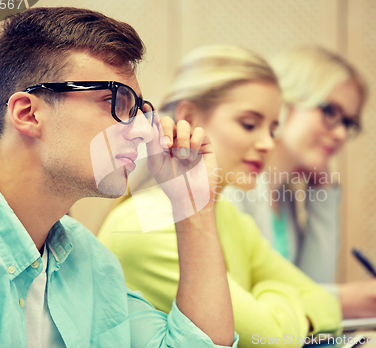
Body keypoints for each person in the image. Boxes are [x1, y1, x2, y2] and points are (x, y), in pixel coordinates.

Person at [0, 7, 238, 347]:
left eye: (140, 109)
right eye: (115, 101)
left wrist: (193, 204)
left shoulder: (88, 259)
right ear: (28, 113)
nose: (143, 131)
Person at [98, 45, 342, 348]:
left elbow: (325, 303)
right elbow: (271, 340)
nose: (267, 143)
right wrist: (278, 294)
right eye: (249, 124)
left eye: (273, 129)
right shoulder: (145, 224)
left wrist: (273, 306)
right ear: (188, 117)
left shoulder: (228, 215)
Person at [223, 46, 376, 318]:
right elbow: (237, 307)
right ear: (284, 101)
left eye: (348, 122)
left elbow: (313, 286)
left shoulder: (283, 194)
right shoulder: (234, 185)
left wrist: (324, 195)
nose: (341, 133)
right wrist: (341, 302)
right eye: (330, 112)